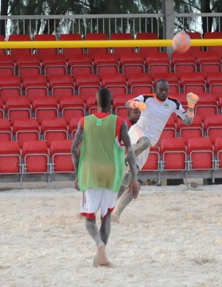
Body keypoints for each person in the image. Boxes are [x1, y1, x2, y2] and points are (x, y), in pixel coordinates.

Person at [111, 79, 199, 221]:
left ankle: (113, 213)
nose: (163, 93)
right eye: (160, 90)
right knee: (145, 142)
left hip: (147, 144)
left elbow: (187, 121)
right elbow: (127, 103)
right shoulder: (147, 98)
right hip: (137, 133)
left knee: (130, 180)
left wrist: (191, 105)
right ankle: (122, 160)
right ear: (156, 89)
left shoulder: (173, 103)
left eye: (166, 90)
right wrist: (136, 104)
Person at [72, 88, 140, 267]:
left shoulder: (84, 122)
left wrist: (77, 174)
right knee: (106, 216)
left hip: (90, 173)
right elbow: (130, 150)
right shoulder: (120, 123)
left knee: (89, 219)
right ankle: (100, 254)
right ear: (112, 104)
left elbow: (73, 149)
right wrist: (134, 177)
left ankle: (99, 244)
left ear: (95, 103)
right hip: (112, 175)